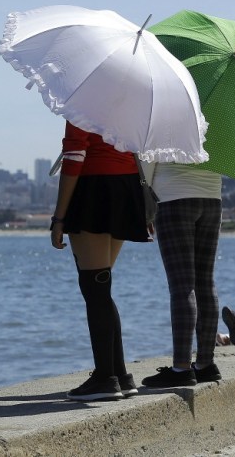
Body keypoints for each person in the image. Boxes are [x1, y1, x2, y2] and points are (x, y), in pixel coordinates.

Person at [51, 121, 150, 401]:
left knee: (95, 289)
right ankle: (119, 375)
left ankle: (105, 378)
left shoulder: (83, 102)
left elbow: (74, 154)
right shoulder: (130, 101)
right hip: (126, 186)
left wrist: (59, 217)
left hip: (93, 187)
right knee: (101, 288)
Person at [140, 162, 223, 388]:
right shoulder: (220, 133)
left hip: (172, 198)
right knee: (206, 282)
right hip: (212, 197)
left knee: (182, 286)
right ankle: (206, 364)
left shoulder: (162, 131)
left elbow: (147, 162)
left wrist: (144, 203)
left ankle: (181, 368)